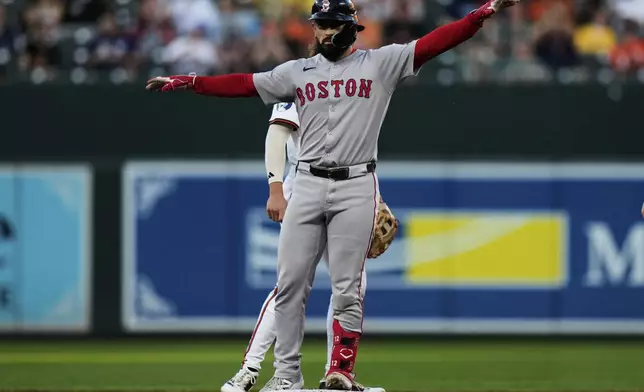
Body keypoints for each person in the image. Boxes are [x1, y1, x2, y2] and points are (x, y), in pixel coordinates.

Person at [146, 0, 519, 390]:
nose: (320, 31)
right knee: (290, 287)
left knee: (347, 288)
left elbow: (436, 42)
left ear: (348, 27)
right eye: (317, 24)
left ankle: (340, 371)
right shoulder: (299, 71)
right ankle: (287, 375)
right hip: (306, 182)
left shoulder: (381, 63)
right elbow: (244, 83)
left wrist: (484, 11)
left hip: (356, 183)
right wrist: (191, 82)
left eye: (328, 24)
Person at [221, 102, 390, 392]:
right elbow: (277, 133)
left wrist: (373, 198)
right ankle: (249, 369)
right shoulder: (300, 79)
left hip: (345, 193)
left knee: (352, 285)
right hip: (304, 191)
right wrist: (275, 188)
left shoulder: (355, 83)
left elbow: (355, 152)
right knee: (291, 286)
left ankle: (336, 375)